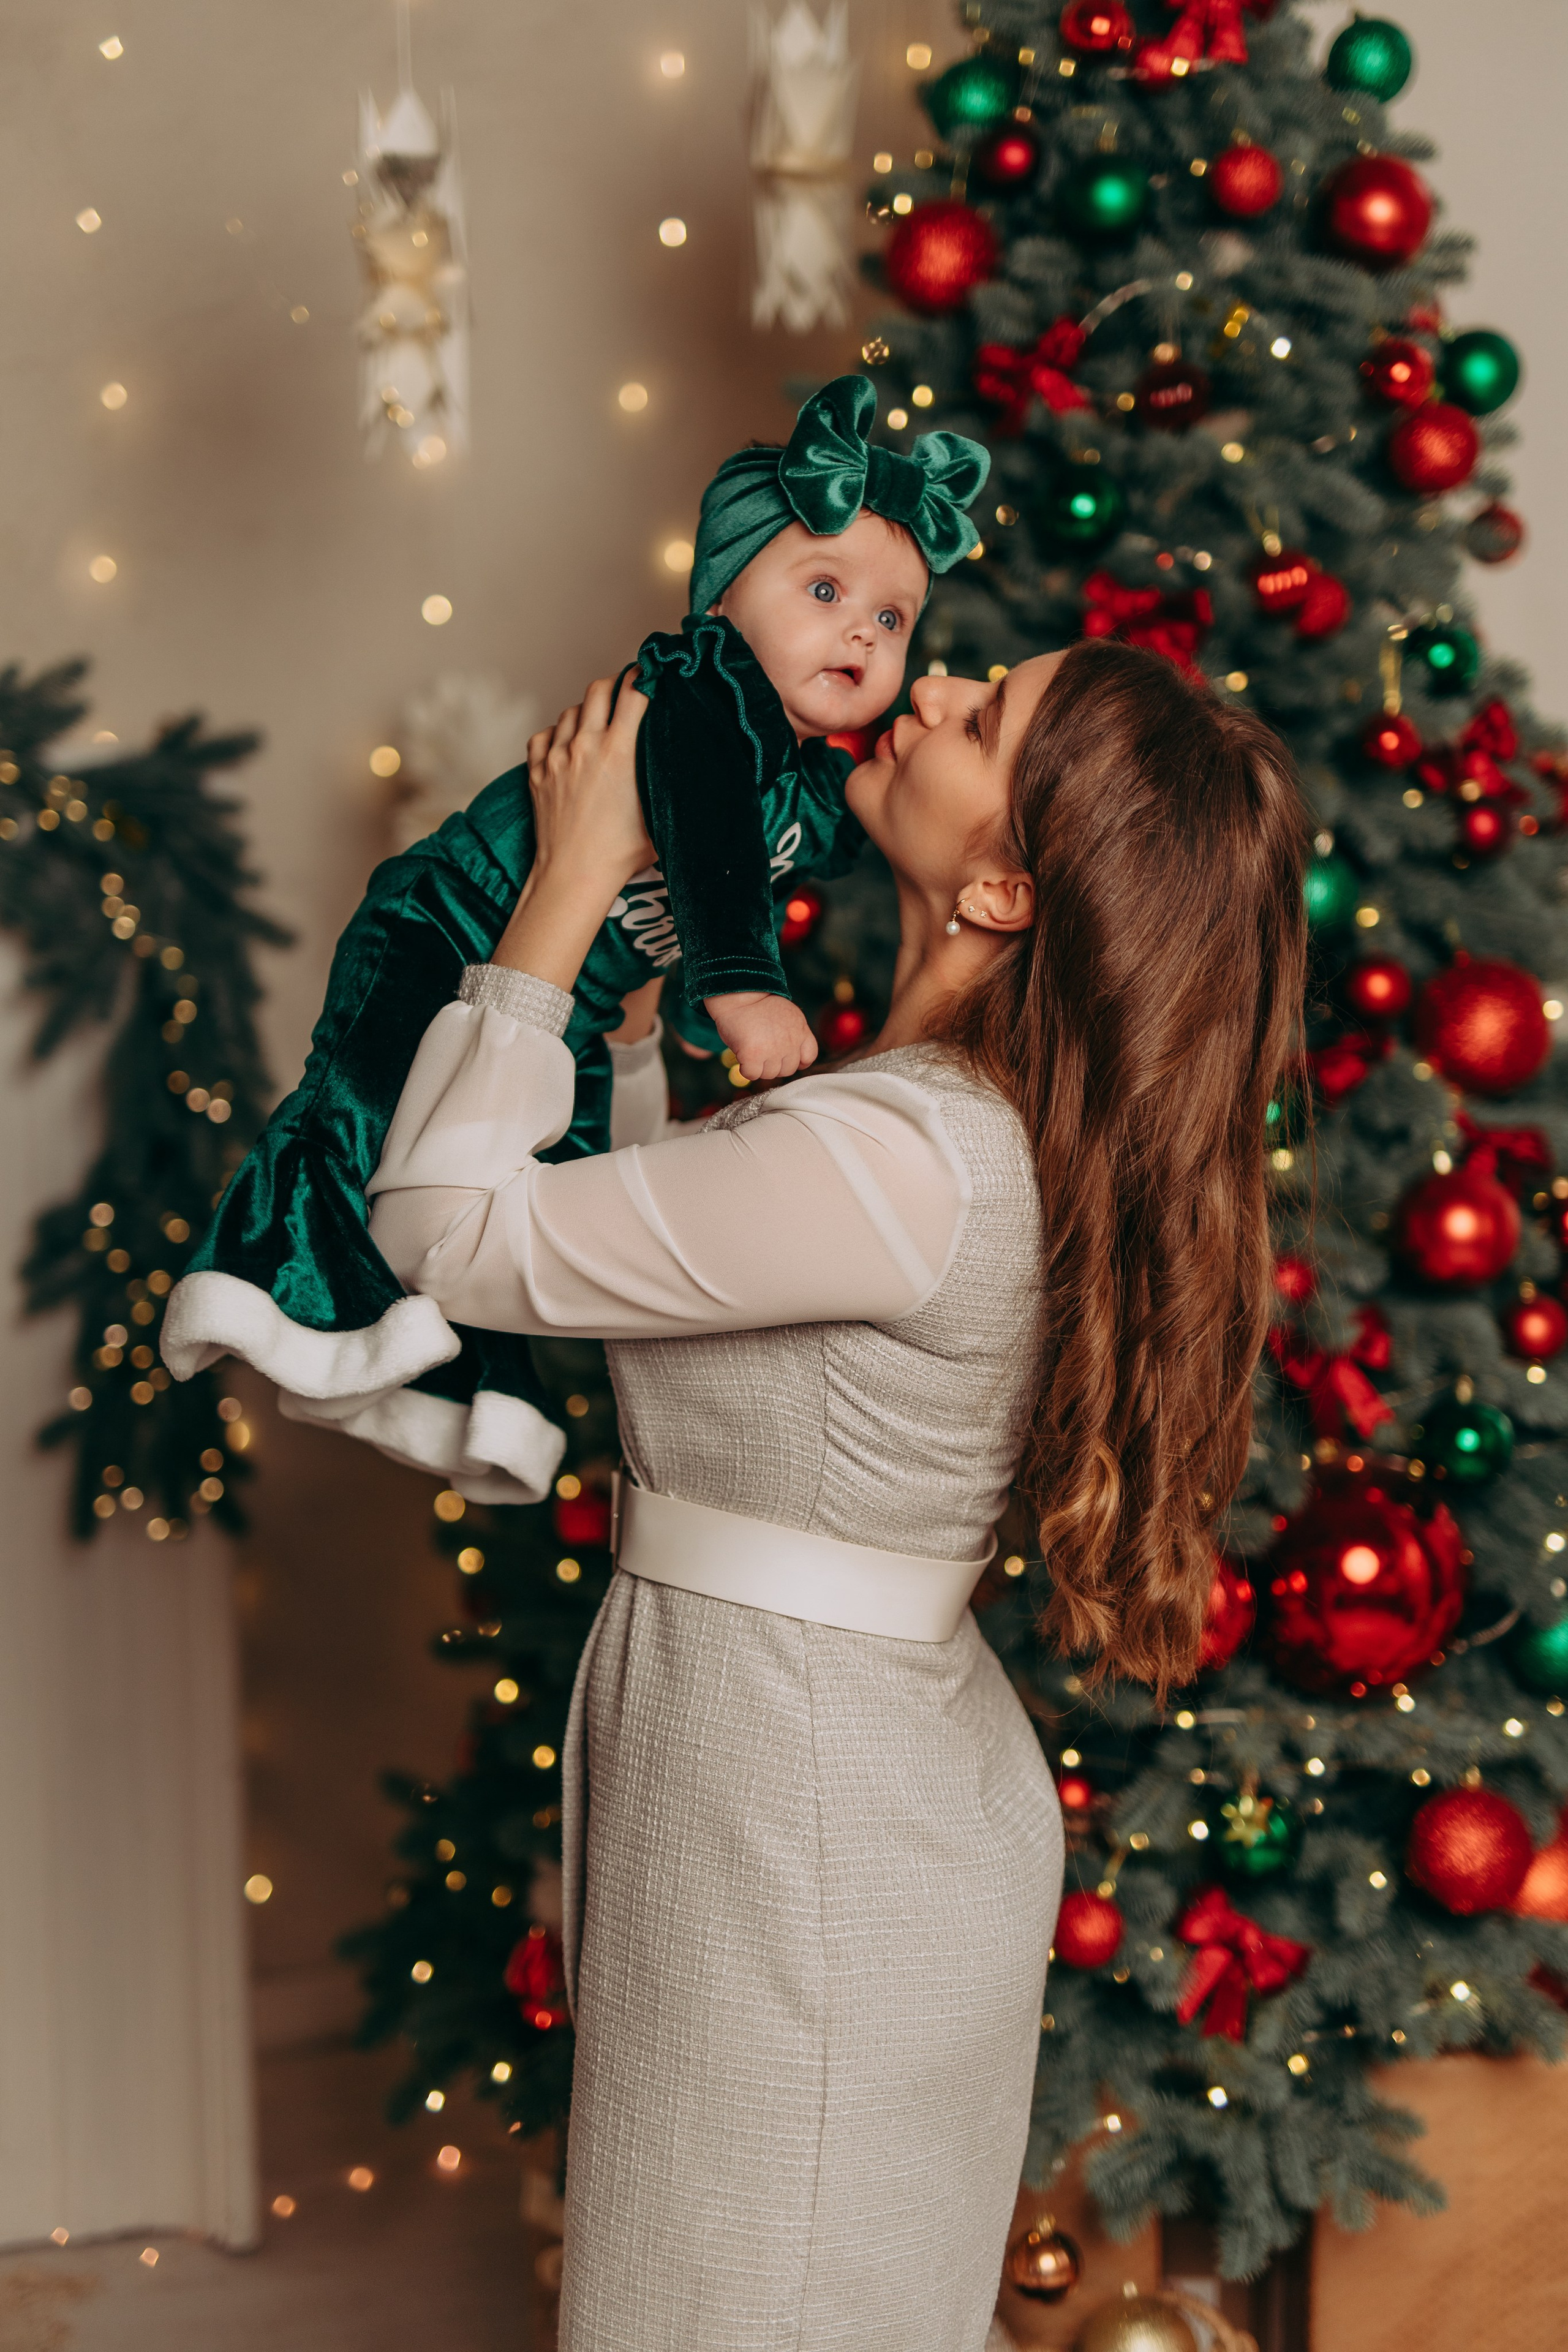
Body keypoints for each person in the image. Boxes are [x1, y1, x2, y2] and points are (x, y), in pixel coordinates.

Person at [364, 636, 1310, 2352]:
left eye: (984, 717)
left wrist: (568, 881)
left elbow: (445, 1231)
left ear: (1009, 886)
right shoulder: (916, 1124)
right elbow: (645, 1249)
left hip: (804, 1799)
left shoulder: (895, 1151)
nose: (932, 687)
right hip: (806, 1759)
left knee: (747, 2306)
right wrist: (637, 1006)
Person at [160, 376, 988, 1507]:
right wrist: (741, 988)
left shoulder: (805, 778)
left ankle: (482, 1396)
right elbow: (705, 839)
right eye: (827, 589)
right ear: (724, 605)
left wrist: (646, 997)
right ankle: (259, 1294)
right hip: (455, 914)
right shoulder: (708, 699)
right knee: (354, 1109)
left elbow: (824, 833)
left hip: (572, 1002)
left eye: (890, 620)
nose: (862, 630)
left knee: (545, 1170)